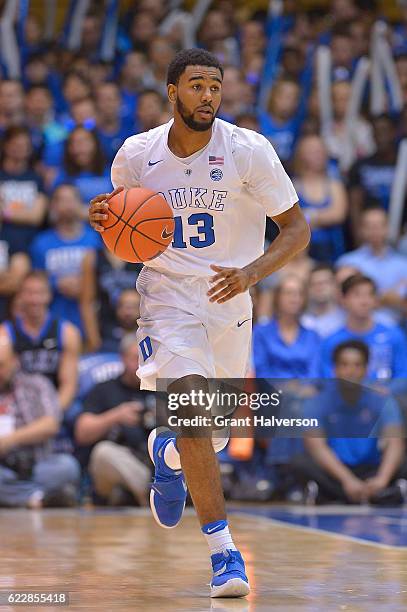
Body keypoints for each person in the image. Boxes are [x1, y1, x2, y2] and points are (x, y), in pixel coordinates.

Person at [89, 48, 309, 598]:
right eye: (196, 85)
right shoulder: (136, 156)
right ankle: (223, 553)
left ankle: (166, 453)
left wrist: (250, 274)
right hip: (166, 301)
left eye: (215, 85)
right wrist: (106, 222)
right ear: (172, 91)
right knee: (190, 407)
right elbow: (128, 238)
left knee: (207, 439)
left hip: (230, 300)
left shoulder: (247, 150)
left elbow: (297, 230)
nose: (207, 95)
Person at [294, 340, 407, 505]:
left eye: (357, 365)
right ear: (335, 369)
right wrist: (347, 480)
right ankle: (381, 494)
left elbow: (395, 443)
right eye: (345, 365)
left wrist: (382, 479)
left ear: (366, 369)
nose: (351, 371)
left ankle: (334, 495)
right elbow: (316, 446)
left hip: (372, 468)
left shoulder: (382, 400)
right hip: (336, 470)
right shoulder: (318, 402)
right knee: (300, 462)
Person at [75, 334, 154, 506]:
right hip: (118, 461)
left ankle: (138, 495)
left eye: (146, 359)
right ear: (122, 359)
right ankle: (153, 495)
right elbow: (82, 432)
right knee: (103, 452)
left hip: (152, 463)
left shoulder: (161, 389)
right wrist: (116, 416)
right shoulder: (105, 389)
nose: (141, 365)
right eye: (135, 358)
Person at [0, 341, 80, 508]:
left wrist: (11, 439)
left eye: (1, 365)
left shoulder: (37, 384)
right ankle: (38, 498)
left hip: (38, 465)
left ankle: (17, 496)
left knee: (68, 467)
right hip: (2, 468)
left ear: (15, 360)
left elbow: (51, 424)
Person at [0, 271, 81, 416]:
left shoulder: (67, 333)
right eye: (29, 293)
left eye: (40, 293)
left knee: (77, 414)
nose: (35, 299)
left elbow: (68, 386)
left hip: (56, 403)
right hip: (18, 404)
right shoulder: (5, 334)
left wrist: (49, 414)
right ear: (20, 296)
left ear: (49, 295)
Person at [30, 184, 100, 334]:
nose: (67, 205)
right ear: (53, 206)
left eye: (71, 199)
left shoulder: (95, 238)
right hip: (54, 318)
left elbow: (105, 276)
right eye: (62, 200)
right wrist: (56, 283)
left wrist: (86, 283)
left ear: (80, 204)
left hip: (93, 318)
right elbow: (35, 280)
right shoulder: (41, 242)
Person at [320, 274, 407, 391]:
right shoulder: (332, 341)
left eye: (369, 295)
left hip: (385, 401)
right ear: (343, 300)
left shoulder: (394, 335)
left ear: (376, 300)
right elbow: (327, 378)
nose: (364, 301)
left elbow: (403, 374)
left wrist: (388, 390)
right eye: (357, 295)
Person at [336, 207, 407, 324]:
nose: (375, 230)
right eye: (369, 226)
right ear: (361, 230)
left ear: (388, 228)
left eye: (379, 225)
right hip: (357, 327)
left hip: (396, 329)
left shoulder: (403, 265)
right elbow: (341, 300)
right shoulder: (347, 262)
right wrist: (386, 299)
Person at [253, 276, 320, 379]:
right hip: (270, 393)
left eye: (300, 294)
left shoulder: (312, 336)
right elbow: (261, 371)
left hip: (305, 392)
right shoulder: (261, 333)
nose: (295, 298)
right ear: (277, 297)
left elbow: (314, 372)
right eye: (289, 293)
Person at [294, 134, 348, 262]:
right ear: (300, 155)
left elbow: (338, 214)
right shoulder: (293, 186)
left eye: (320, 150)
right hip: (302, 253)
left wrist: (309, 216)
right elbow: (291, 219)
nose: (318, 155)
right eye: (312, 151)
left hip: (333, 249)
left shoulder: (335, 185)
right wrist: (322, 216)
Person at [347, 114, 400, 240]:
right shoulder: (360, 166)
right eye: (376, 132)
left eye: (385, 131)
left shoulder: (403, 165)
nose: (381, 137)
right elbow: (355, 204)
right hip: (369, 231)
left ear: (394, 133)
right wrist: (358, 233)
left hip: (401, 229)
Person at [80, 247, 140, 353]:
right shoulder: (92, 257)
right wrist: (94, 339)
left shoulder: (142, 254)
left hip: (138, 325)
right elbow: (87, 302)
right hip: (106, 326)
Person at [0, 126, 47, 255]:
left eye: (24, 145)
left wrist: (6, 213)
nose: (20, 149)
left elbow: (36, 216)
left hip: (29, 242)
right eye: (16, 144)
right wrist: (24, 212)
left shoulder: (36, 178)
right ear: (6, 145)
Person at [302, 263, 345, 338]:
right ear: (308, 289)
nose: (320, 288)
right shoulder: (301, 320)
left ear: (335, 285)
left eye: (325, 283)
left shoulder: (346, 319)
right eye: (314, 283)